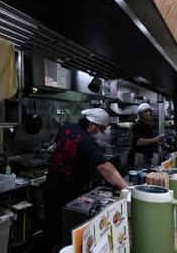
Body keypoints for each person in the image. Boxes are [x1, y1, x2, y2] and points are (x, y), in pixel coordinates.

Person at [44, 108, 129, 251]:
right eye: (100, 128)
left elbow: (56, 146)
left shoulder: (67, 127)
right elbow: (104, 167)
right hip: (68, 187)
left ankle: (52, 246)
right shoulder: (86, 140)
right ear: (91, 125)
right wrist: (126, 188)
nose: (100, 132)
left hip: (52, 180)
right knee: (69, 222)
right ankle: (66, 247)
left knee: (52, 220)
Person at [132, 103, 163, 168]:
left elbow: (148, 139)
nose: (149, 113)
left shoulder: (147, 125)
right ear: (140, 114)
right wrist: (155, 139)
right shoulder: (138, 125)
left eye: (150, 111)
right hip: (141, 155)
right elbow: (138, 142)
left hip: (148, 154)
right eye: (146, 111)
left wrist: (157, 141)